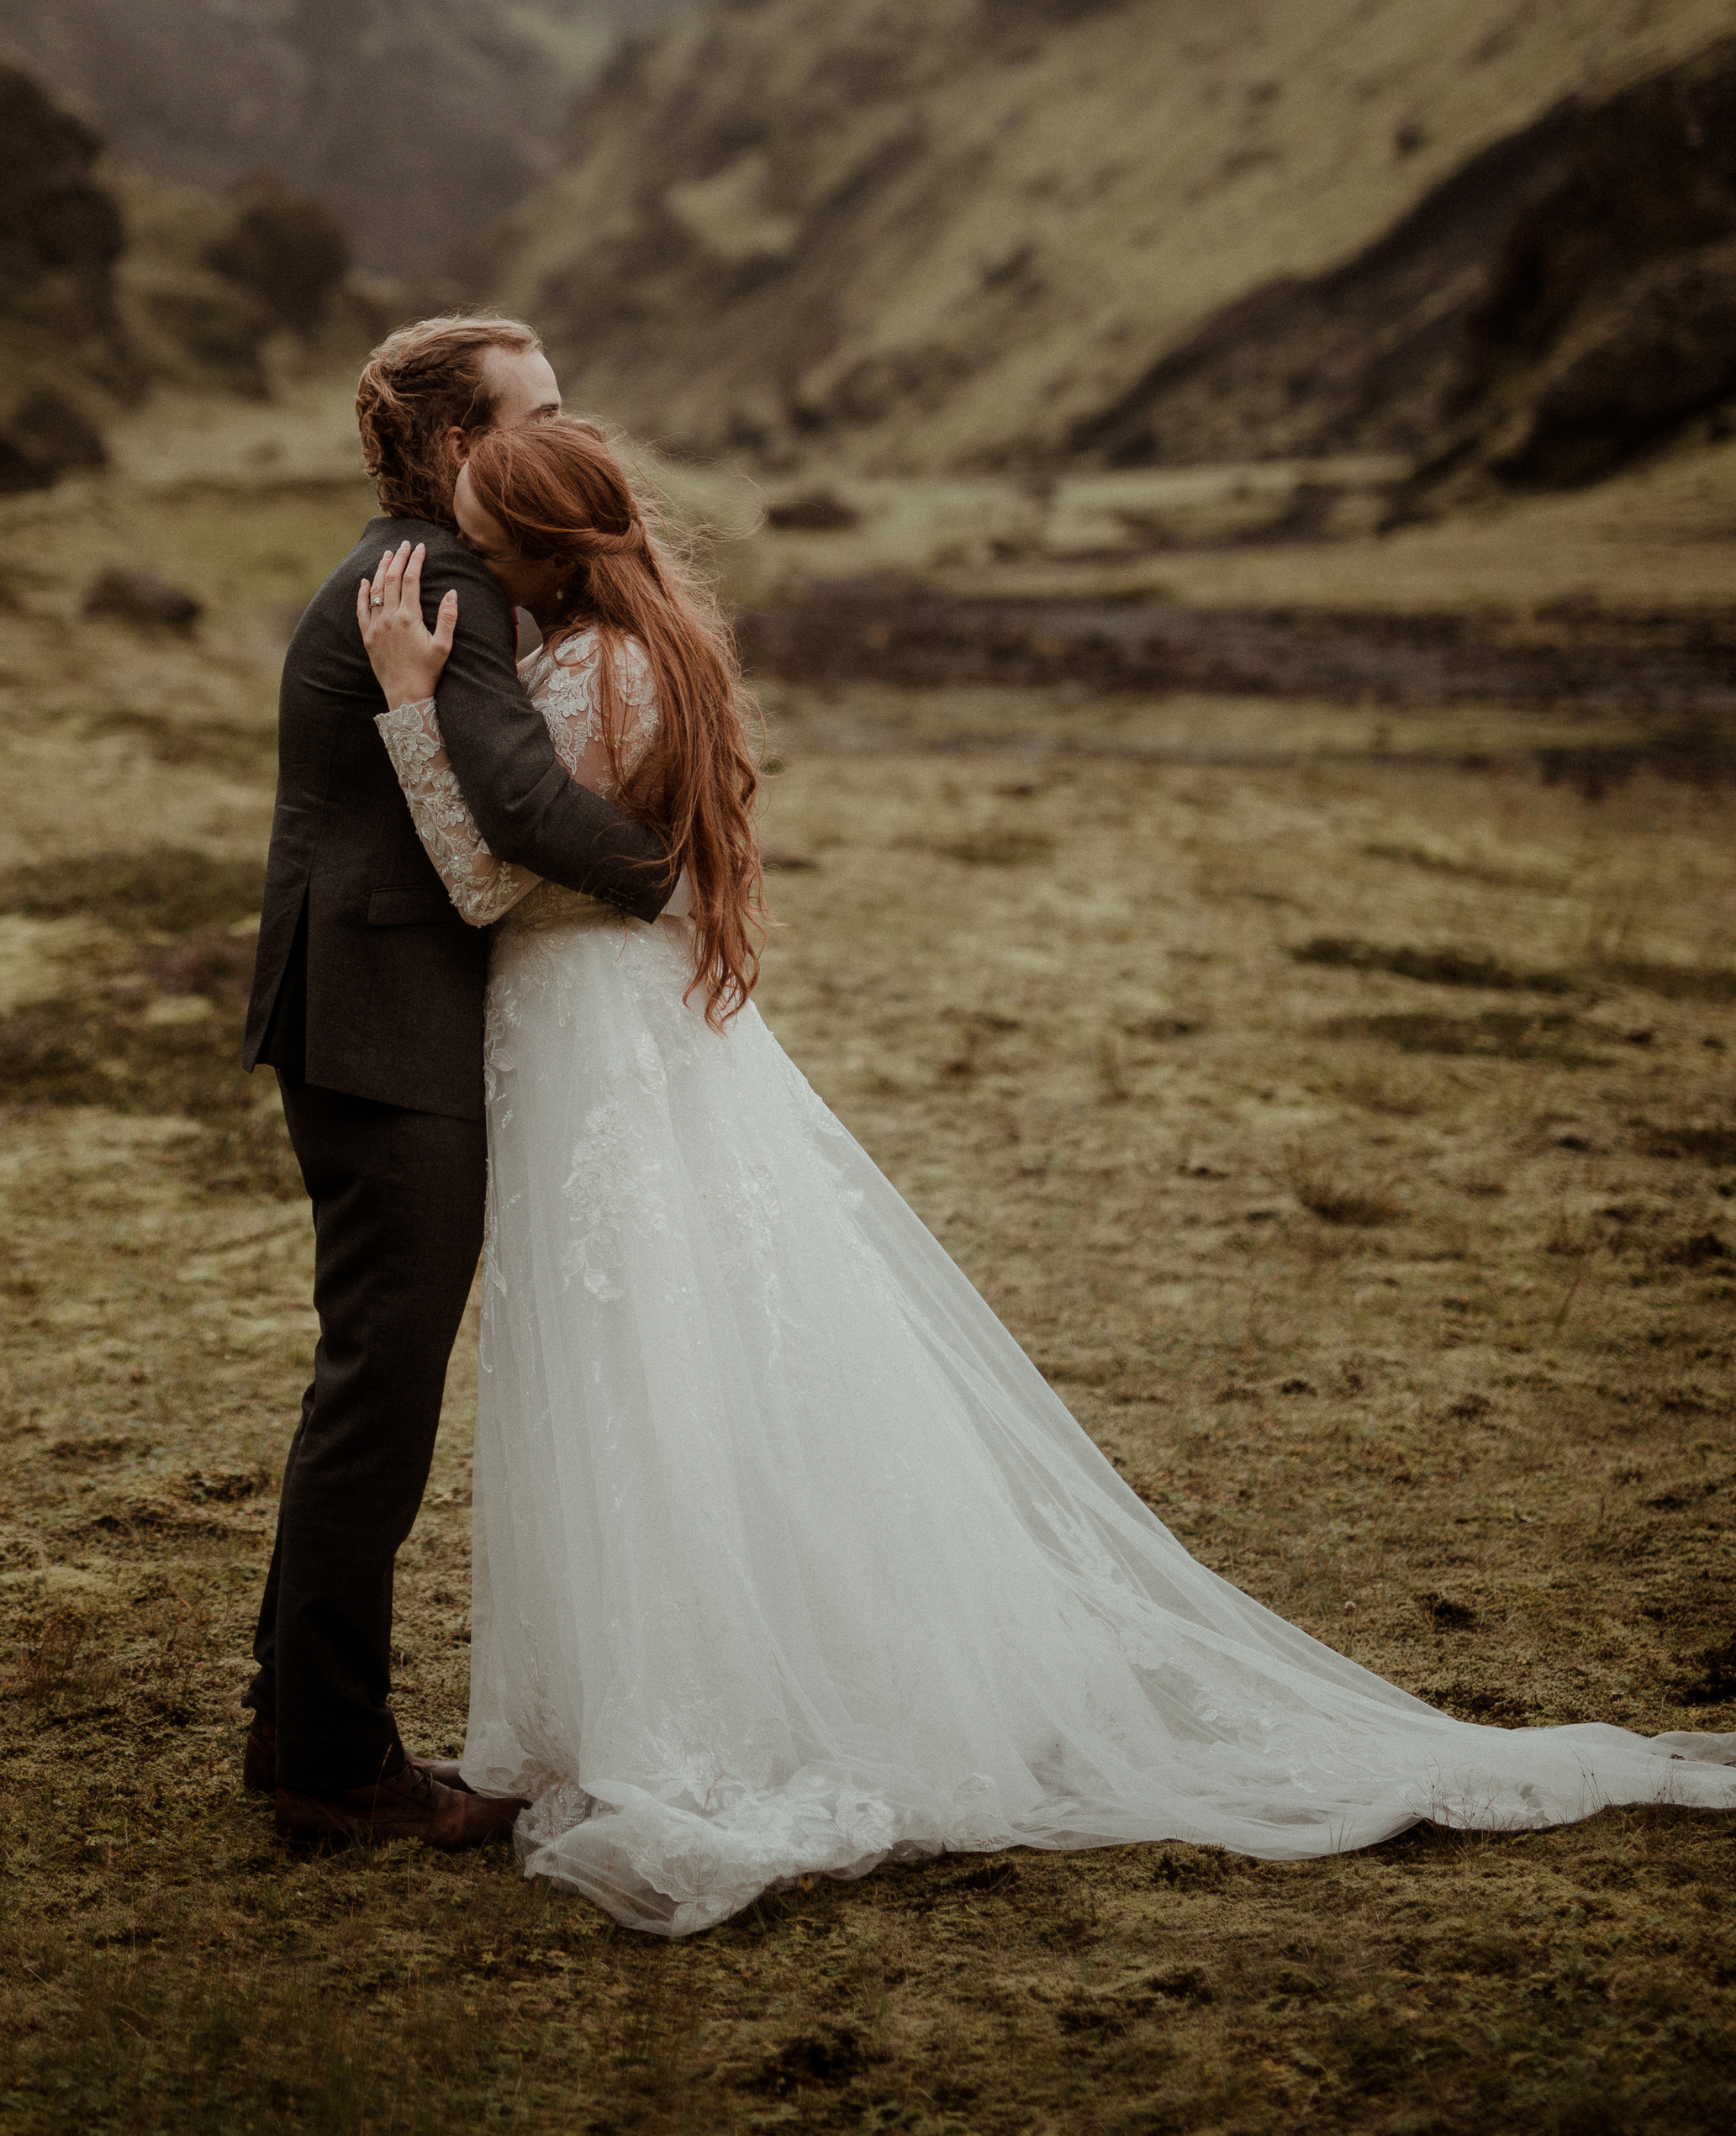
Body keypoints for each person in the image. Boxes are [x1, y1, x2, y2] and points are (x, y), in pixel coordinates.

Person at [358, 412, 1736, 1939]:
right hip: (616, 1042)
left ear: (535, 552)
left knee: (633, 1364)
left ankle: (685, 1723)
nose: (467, 559)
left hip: (592, 1045)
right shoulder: (651, 644)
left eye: (485, 535)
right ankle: (648, 1699)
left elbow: (487, 876)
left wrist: (416, 705)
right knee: (664, 1359)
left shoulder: (577, 671)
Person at [238, 318, 673, 1854]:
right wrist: (680, 876)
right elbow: (522, 804)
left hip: (368, 1012)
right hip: (379, 1024)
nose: (571, 426)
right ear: (448, 446)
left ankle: (297, 1718)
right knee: (380, 1386)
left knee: (366, 1373)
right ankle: (337, 1769)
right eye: (535, 410)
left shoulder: (429, 568)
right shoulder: (438, 582)